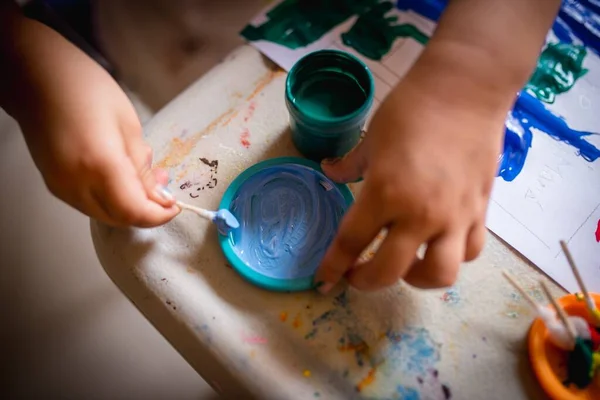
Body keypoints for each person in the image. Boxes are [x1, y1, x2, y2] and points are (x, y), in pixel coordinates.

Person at [0, 0, 562, 293]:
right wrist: (20, 56)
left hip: (330, 27)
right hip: (149, 34)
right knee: (170, 95)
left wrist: (471, 77)